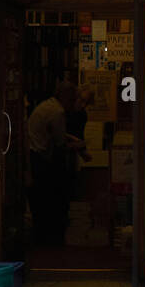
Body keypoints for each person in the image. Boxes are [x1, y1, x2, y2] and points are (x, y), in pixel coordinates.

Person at [27, 80, 90, 245]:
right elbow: (60, 143)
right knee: (53, 200)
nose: (74, 103)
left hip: (36, 156)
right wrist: (79, 146)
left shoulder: (47, 106)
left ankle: (44, 237)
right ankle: (53, 239)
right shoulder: (58, 112)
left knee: (42, 202)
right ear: (65, 97)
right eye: (73, 99)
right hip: (43, 161)